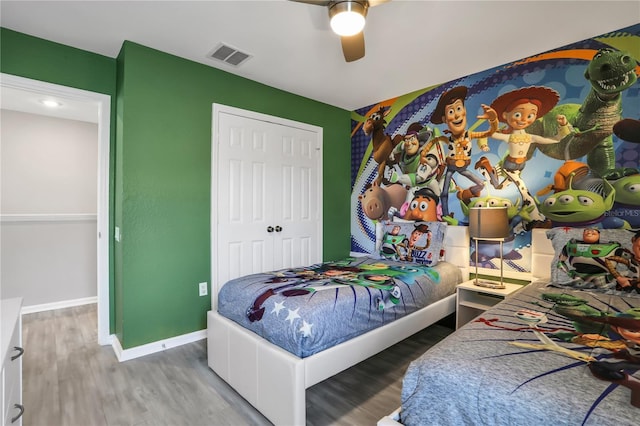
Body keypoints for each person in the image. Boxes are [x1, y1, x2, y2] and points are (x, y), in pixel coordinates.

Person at [475, 86, 572, 226]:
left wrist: (564, 125)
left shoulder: (530, 137)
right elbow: (488, 133)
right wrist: (485, 140)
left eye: (530, 115)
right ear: (505, 116)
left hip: (521, 166)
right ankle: (536, 218)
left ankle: (487, 169)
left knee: (499, 189)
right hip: (510, 166)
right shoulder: (509, 137)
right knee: (524, 191)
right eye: (518, 115)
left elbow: (555, 139)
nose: (524, 120)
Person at [423, 86, 499, 220]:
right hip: (451, 168)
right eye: (451, 112)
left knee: (481, 184)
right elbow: (433, 142)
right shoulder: (448, 138)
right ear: (445, 119)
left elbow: (489, 133)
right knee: (444, 192)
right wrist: (423, 154)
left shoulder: (469, 135)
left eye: (459, 109)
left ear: (464, 111)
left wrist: (493, 120)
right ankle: (445, 216)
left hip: (463, 168)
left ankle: (465, 194)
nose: (457, 115)